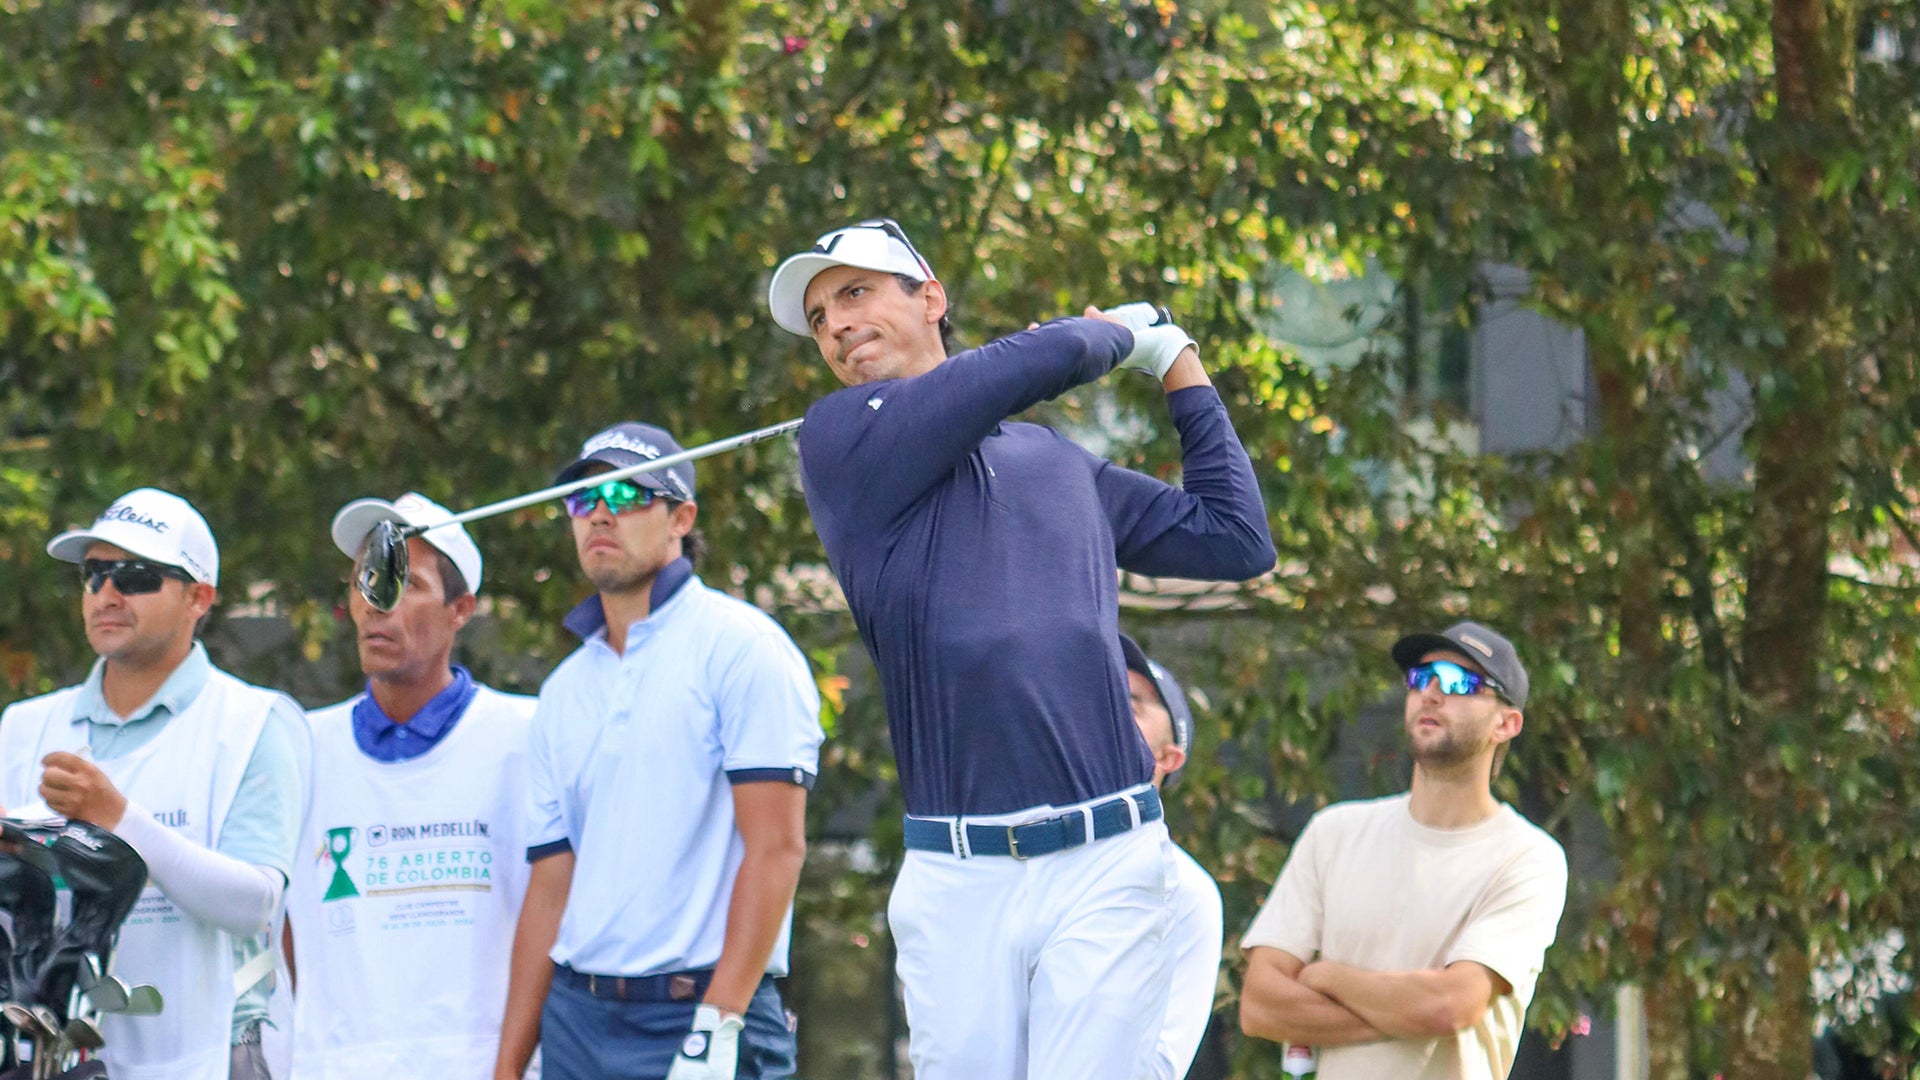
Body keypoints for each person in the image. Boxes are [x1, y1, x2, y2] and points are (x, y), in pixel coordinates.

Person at [767, 218, 1275, 1080]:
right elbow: (1007, 374)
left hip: (1109, 854)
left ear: (931, 297)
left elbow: (1235, 540)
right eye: (818, 317)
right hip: (958, 875)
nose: (836, 325)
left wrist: (1178, 361)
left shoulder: (1053, 460)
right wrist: (1116, 333)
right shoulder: (839, 438)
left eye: (855, 293)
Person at [493, 423, 823, 1080]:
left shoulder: (742, 646)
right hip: (578, 1024)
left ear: (682, 517)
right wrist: (506, 1070)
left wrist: (719, 1019)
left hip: (703, 1013)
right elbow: (551, 890)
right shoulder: (562, 691)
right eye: (584, 499)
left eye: (625, 492)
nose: (600, 514)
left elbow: (777, 849)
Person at [0, 487, 310, 1080]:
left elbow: (256, 905)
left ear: (200, 597)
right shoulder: (25, 726)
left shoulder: (254, 722)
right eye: (94, 574)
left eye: (136, 575)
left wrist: (117, 820)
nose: (106, 593)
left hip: (212, 1057)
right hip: (53, 1063)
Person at [1237, 620, 1569, 1079]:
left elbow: (1450, 1006)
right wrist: (1400, 1012)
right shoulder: (1334, 832)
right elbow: (1258, 1006)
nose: (1430, 694)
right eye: (1420, 679)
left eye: (1458, 683)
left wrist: (1327, 977)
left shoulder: (1529, 858)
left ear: (1506, 723)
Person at [281, 493, 537, 1078]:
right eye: (363, 580)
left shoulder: (527, 735)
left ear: (461, 608)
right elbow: (285, 938)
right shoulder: (297, 745)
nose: (377, 602)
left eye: (407, 582)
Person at [1119, 635, 1224, 1080]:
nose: (1108, 710)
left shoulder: (1188, 893)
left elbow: (1160, 1066)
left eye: (1133, 702)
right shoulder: (1013, 852)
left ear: (1169, 757)